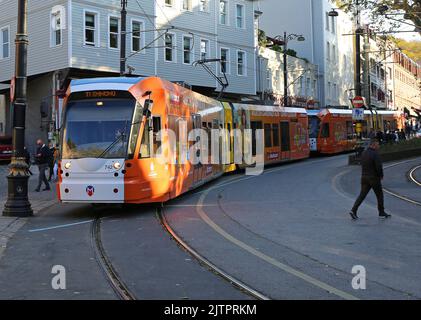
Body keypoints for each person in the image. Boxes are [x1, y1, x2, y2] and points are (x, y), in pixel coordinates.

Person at [349, 138, 391, 220]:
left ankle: (353, 210)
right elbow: (378, 166)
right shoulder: (375, 154)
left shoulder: (364, 153)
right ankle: (381, 212)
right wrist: (381, 175)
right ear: (373, 145)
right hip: (374, 178)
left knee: (362, 195)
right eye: (378, 144)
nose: (379, 146)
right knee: (379, 195)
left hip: (364, 177)